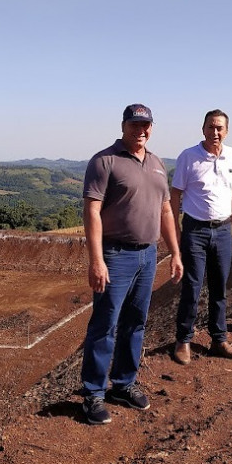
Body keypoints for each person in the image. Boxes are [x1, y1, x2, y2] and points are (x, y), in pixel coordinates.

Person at [80, 103, 184, 425]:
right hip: (115, 255)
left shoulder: (156, 163)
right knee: (105, 324)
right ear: (124, 125)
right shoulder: (104, 160)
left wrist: (175, 252)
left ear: (151, 127)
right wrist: (96, 260)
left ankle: (123, 384)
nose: (141, 130)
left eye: (146, 125)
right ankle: (93, 394)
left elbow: (166, 210)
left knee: (136, 322)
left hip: (147, 255)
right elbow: (92, 211)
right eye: (135, 124)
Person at [170, 109, 232, 365]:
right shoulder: (188, 157)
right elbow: (175, 195)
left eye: (219, 128)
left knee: (219, 287)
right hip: (195, 230)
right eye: (210, 127)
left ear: (226, 131)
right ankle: (183, 340)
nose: (215, 132)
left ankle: (219, 340)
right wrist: (175, 229)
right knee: (192, 287)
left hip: (224, 230)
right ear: (203, 129)